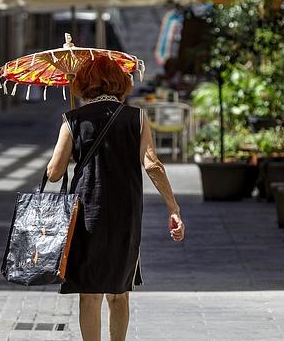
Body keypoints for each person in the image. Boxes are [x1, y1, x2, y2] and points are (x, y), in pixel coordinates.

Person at [46, 55, 185, 341]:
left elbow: (54, 173)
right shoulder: (136, 117)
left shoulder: (72, 119)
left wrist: (72, 139)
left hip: (86, 213)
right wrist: (173, 207)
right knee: (120, 291)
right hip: (126, 212)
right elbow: (152, 164)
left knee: (90, 292)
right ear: (120, 82)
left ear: (84, 85)